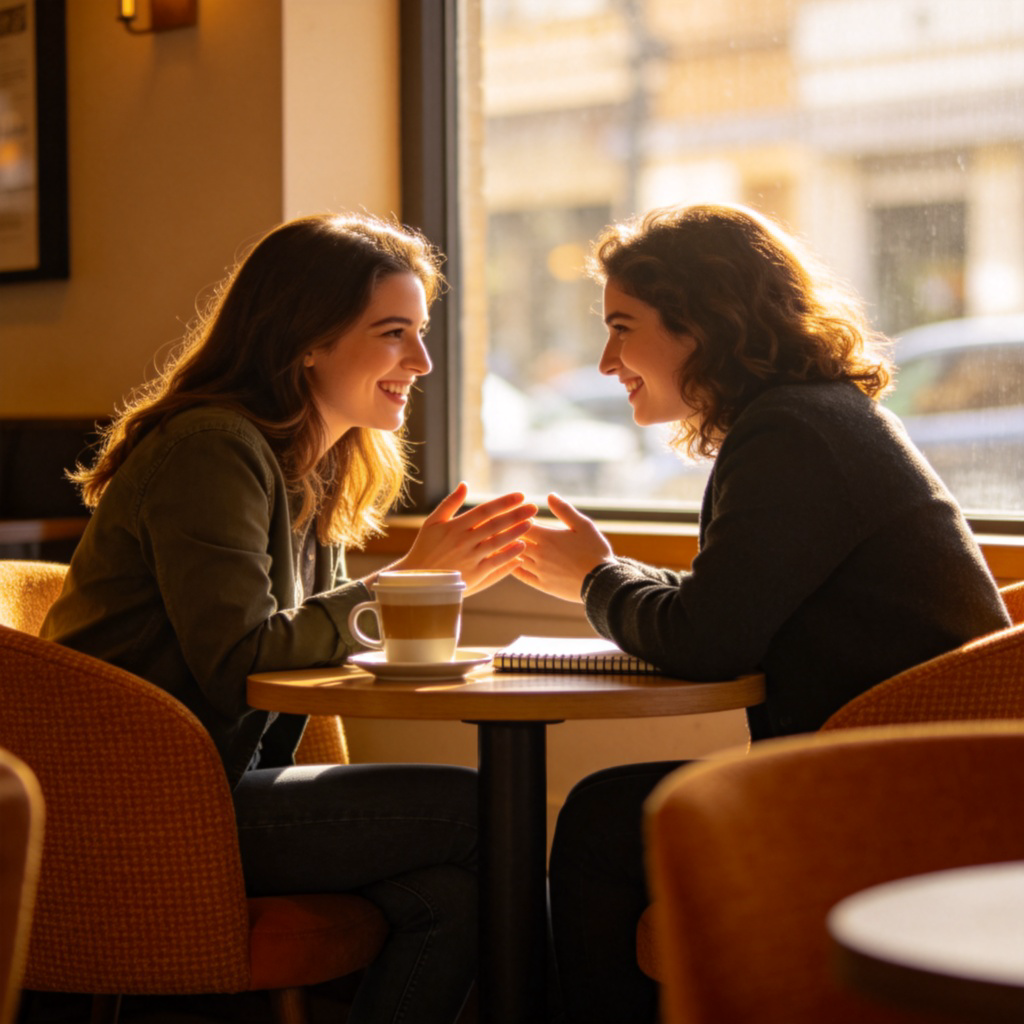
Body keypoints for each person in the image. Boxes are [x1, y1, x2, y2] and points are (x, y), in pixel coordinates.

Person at [513, 202, 1012, 1023]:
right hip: (941, 781)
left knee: (604, 822)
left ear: (701, 325)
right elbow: (729, 602)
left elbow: (707, 639)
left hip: (893, 797)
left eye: (623, 326)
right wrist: (607, 574)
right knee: (612, 813)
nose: (606, 360)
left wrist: (597, 581)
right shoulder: (809, 417)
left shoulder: (791, 433)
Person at [42, 212, 538, 1024]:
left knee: (451, 893)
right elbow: (242, 661)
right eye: (393, 333)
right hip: (133, 806)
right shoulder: (213, 448)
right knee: (482, 812)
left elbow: (305, 646)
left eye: (419, 333)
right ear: (307, 339)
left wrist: (417, 591)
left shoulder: (312, 465)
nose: (422, 361)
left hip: (210, 782)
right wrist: (410, 580)